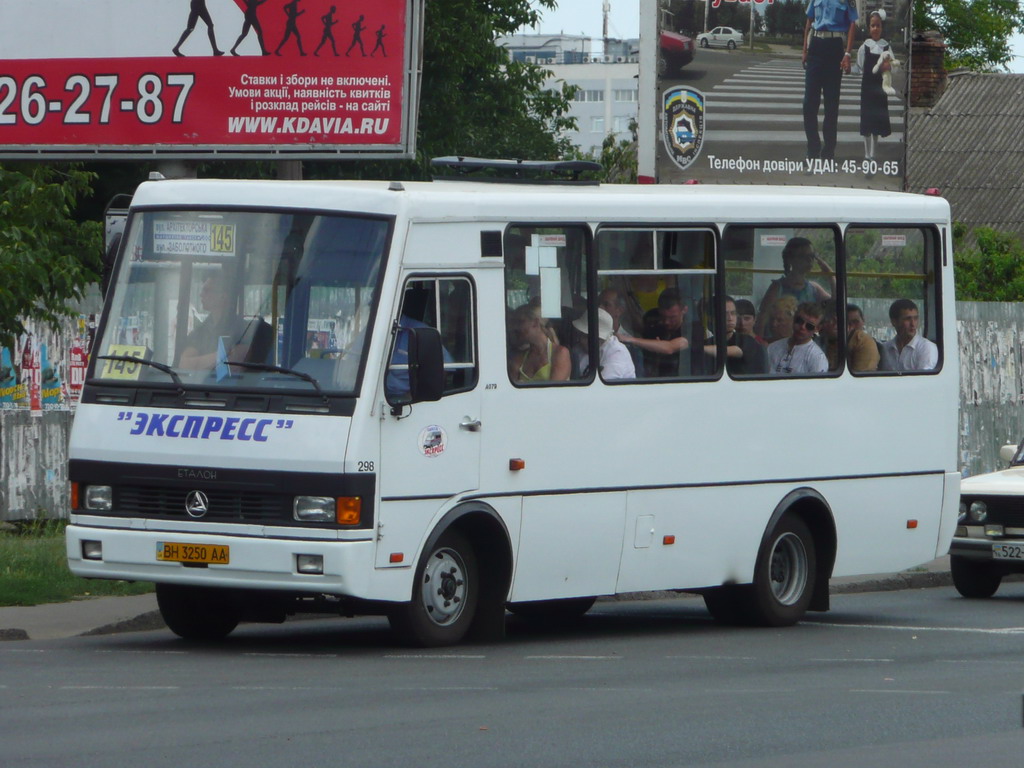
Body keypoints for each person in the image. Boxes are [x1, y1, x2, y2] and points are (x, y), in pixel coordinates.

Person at [801, 0, 858, 161]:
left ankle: (828, 153)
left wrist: (847, 54)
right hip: (816, 46)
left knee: (831, 105)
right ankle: (813, 149)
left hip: (835, 47)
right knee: (809, 104)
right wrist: (804, 50)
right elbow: (809, 21)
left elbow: (853, 22)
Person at [755, 237, 834, 338]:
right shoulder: (777, 288)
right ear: (791, 259)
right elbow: (762, 318)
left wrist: (831, 275)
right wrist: (760, 344)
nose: (809, 260)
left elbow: (834, 304)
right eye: (803, 256)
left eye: (811, 256)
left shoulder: (814, 288)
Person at [616, 288, 691, 378]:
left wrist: (630, 339)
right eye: (663, 316)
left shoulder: (692, 328)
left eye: (672, 317)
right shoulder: (653, 321)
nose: (666, 322)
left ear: (684, 310)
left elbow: (670, 348)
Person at [178, 275, 249, 370]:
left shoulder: (243, 329)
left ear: (223, 296)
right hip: (199, 384)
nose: (201, 294)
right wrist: (224, 354)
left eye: (207, 290)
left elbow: (235, 363)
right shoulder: (200, 331)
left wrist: (202, 361)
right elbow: (184, 364)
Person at [857, 10, 893, 167]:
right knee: (867, 121)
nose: (875, 29)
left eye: (878, 25)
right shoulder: (864, 47)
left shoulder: (886, 47)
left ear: (882, 27)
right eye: (873, 26)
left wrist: (888, 67)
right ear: (869, 28)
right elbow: (860, 67)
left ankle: (873, 155)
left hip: (880, 88)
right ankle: (866, 154)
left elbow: (894, 67)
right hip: (867, 87)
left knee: (877, 122)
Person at [704, 297, 768, 375]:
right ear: (711, 318)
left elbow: (735, 350)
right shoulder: (708, 342)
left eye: (733, 313)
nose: (730, 318)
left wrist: (698, 349)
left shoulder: (748, 341)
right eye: (724, 314)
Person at [509, 304, 571, 383]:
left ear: (535, 323)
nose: (516, 327)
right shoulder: (518, 359)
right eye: (514, 323)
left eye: (520, 322)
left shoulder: (560, 353)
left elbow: (555, 390)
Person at [767, 302, 829, 374]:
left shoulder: (817, 358)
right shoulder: (772, 347)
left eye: (809, 326)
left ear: (817, 328)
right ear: (794, 319)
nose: (802, 327)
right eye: (799, 321)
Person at [573, 308, 635, 381]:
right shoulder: (579, 348)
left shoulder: (616, 353)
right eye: (580, 335)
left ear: (600, 338)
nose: (581, 340)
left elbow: (603, 386)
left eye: (585, 337)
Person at [879, 298, 938, 371]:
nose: (913, 324)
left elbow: (924, 380)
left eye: (915, 318)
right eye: (907, 319)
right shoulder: (885, 349)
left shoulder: (926, 348)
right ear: (894, 322)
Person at [819, 301, 880, 371]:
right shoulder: (826, 340)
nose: (852, 327)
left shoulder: (863, 341)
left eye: (855, 322)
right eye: (846, 322)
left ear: (863, 320)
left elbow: (860, 378)